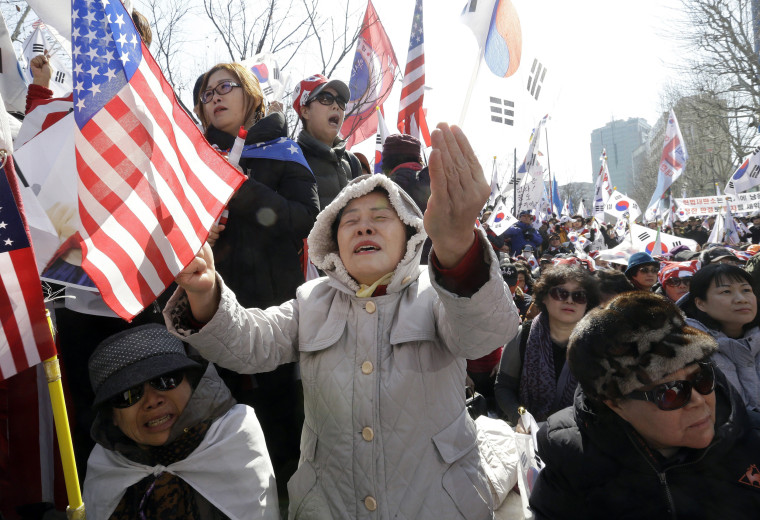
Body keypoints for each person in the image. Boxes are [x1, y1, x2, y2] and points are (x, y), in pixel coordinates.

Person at [166, 124, 520, 519]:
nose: (364, 226)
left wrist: (457, 247)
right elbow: (250, 344)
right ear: (333, 244)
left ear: (409, 236)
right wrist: (205, 292)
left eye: (380, 217)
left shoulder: (437, 292)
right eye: (350, 221)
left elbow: (485, 334)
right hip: (328, 505)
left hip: (439, 503)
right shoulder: (311, 301)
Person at [199, 62, 319, 501]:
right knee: (219, 411)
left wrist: (241, 190)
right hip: (211, 310)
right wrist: (199, 231)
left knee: (277, 416)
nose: (214, 97)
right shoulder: (195, 156)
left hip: (271, 310)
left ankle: (285, 495)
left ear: (249, 95)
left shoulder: (284, 151)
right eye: (206, 92)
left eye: (224, 87)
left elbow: (303, 219)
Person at [529, 292, 760, 519]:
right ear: (615, 404)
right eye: (671, 392)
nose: (698, 400)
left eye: (701, 378)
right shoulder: (570, 456)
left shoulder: (753, 438)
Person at [83, 324, 278, 520]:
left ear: (191, 383)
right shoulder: (104, 465)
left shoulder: (234, 433)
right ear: (113, 416)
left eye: (165, 380)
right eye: (128, 395)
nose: (152, 400)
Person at [494, 264, 600, 425]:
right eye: (560, 293)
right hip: (529, 434)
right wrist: (520, 416)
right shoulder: (522, 335)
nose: (570, 300)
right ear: (544, 297)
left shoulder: (598, 344)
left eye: (579, 296)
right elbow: (504, 388)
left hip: (579, 437)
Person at [678, 263, 760, 427]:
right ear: (701, 303)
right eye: (726, 291)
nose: (741, 299)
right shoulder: (688, 349)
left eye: (746, 290)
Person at [292, 74, 361, 209]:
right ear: (305, 111)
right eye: (326, 98)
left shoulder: (352, 162)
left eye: (340, 101)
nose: (336, 106)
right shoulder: (292, 158)